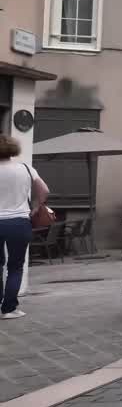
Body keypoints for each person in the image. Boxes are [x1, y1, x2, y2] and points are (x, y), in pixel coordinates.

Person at [0, 135, 49, 320]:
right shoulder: (25, 169)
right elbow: (44, 190)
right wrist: (35, 208)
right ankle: (9, 308)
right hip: (19, 222)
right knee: (15, 266)